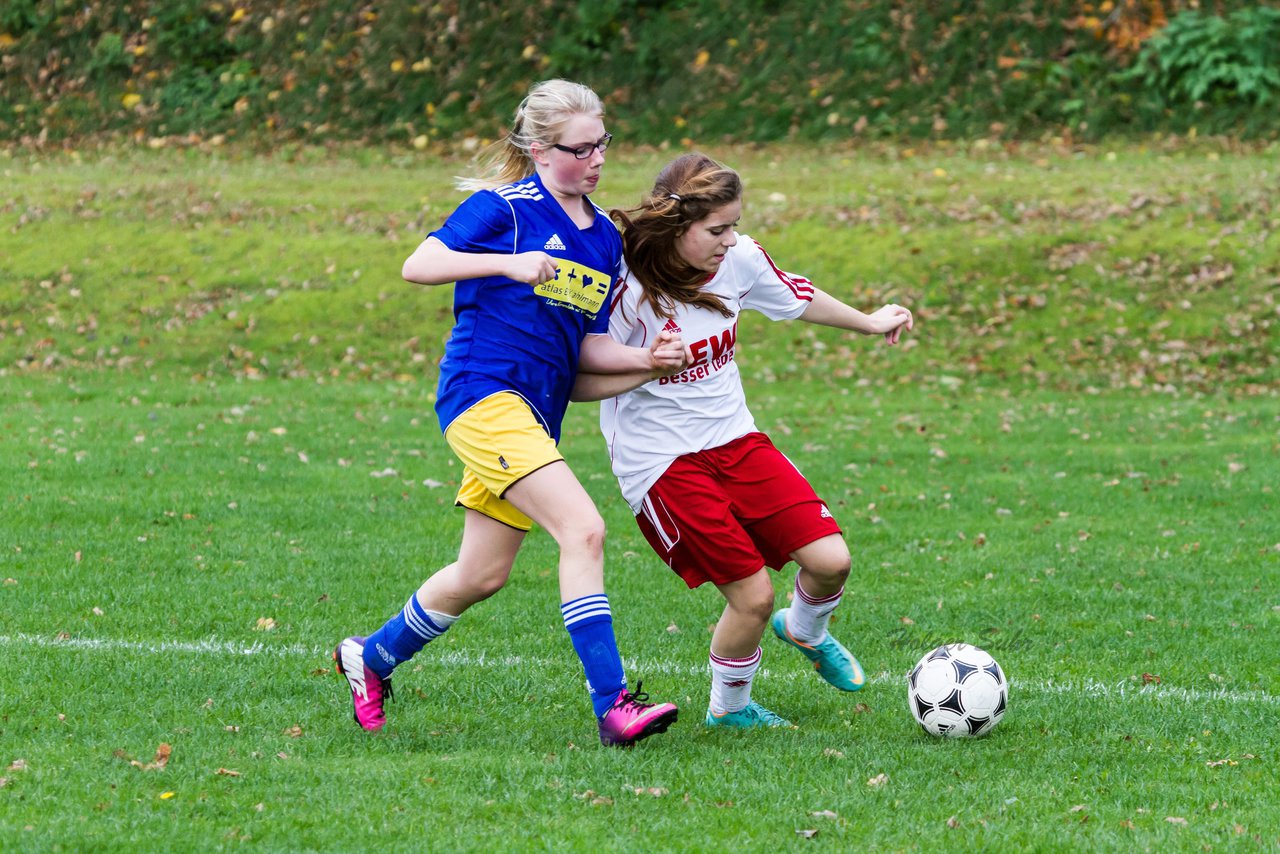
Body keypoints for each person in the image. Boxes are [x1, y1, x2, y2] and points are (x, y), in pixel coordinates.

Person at [334, 80, 688, 747]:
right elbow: (420, 263)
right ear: (538, 149)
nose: (596, 160)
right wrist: (510, 264)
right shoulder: (506, 207)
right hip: (482, 397)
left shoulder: (603, 243)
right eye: (580, 149)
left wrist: (649, 359)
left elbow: (583, 352)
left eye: (602, 143)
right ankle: (614, 707)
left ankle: (369, 658)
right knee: (583, 530)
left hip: (535, 414)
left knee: (482, 574)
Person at [573, 153, 914, 729]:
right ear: (678, 226)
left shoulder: (741, 259)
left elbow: (797, 298)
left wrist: (870, 321)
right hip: (661, 463)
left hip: (736, 439)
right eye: (717, 229)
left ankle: (805, 631)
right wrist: (647, 366)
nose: (731, 240)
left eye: (734, 225)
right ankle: (729, 710)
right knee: (753, 597)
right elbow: (576, 377)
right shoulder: (624, 284)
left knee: (832, 562)